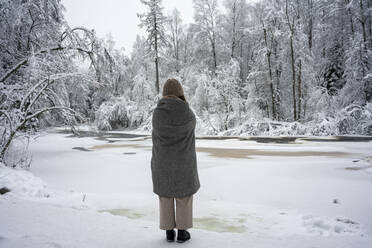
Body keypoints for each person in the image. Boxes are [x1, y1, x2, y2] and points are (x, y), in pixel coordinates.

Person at [151, 78, 200, 243]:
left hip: (162, 163)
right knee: (183, 196)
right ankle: (182, 232)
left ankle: (169, 232)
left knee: (165, 196)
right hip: (183, 163)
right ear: (180, 93)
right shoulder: (188, 114)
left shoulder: (157, 114)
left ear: (164, 93)